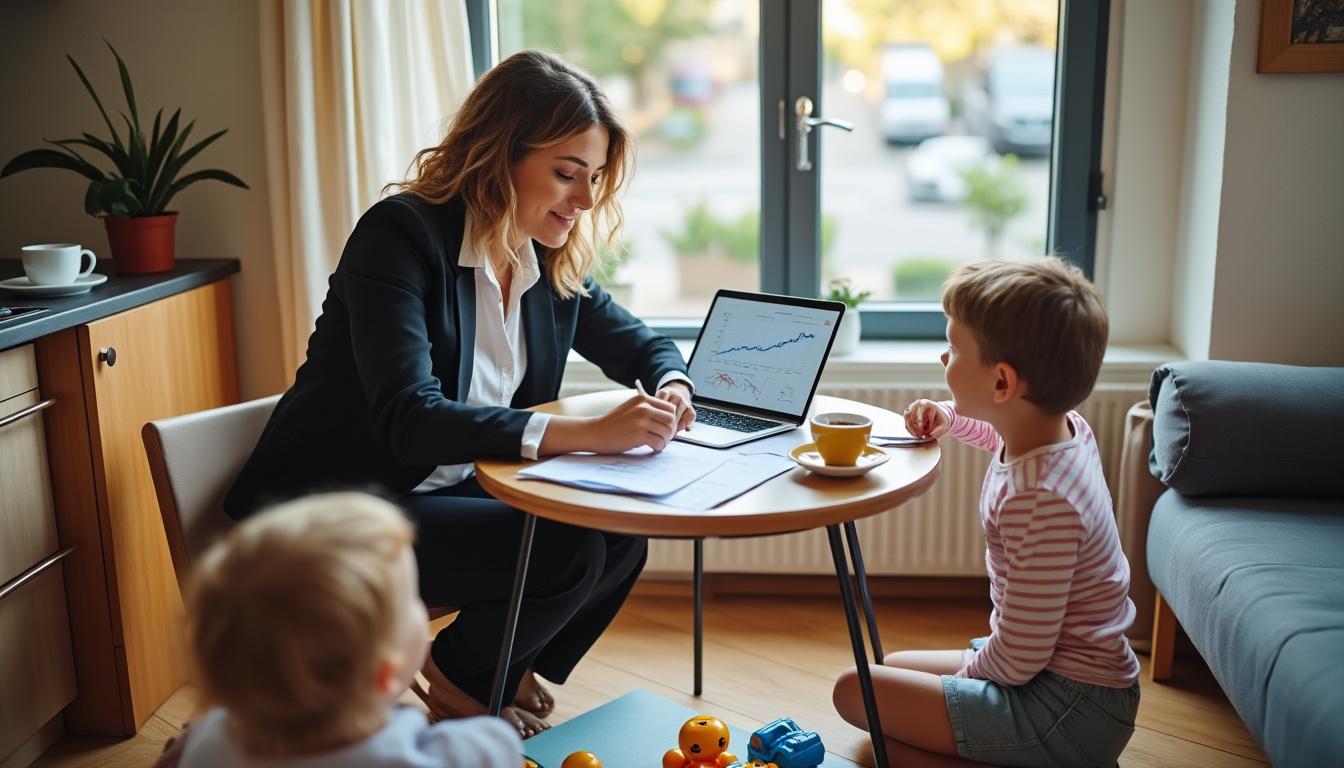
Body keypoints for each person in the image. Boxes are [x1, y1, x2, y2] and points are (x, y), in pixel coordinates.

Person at [224, 50, 697, 738]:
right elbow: (410, 421)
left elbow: (642, 344)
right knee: (564, 548)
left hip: (438, 492)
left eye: (594, 178)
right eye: (567, 174)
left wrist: (673, 383)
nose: (586, 200)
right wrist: (583, 434)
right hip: (337, 511)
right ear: (499, 156)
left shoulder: (542, 255)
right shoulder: (400, 237)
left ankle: (503, 665)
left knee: (620, 532)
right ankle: (462, 677)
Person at [832, 257, 1141, 767]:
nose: (943, 357)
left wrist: (962, 683)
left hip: (1067, 708)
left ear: (1001, 383)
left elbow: (1019, 659)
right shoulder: (1060, 428)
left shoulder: (1041, 501)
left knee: (854, 691)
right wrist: (949, 419)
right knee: (889, 669)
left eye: (953, 349)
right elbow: (997, 430)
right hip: (1052, 676)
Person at [156, 493, 522, 767]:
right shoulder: (443, 755)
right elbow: (500, 745)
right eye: (412, 597)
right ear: (384, 673)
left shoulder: (207, 740)